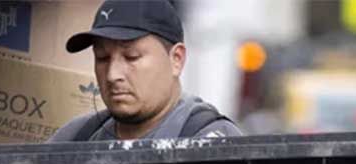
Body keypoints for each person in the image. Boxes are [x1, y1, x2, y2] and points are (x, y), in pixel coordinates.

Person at [49, 0, 241, 142]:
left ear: (176, 59)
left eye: (131, 57)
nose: (112, 75)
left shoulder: (213, 142)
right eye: (102, 58)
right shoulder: (75, 138)